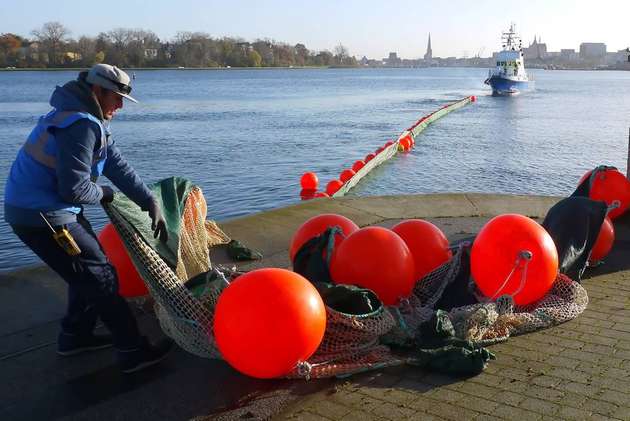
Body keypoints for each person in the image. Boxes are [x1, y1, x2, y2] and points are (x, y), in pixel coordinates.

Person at [4, 64, 173, 374]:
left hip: (42, 209)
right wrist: (105, 194)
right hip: (43, 216)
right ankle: (132, 351)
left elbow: (115, 164)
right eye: (117, 97)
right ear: (97, 91)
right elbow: (74, 188)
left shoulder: (84, 116)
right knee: (101, 278)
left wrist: (148, 200)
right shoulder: (80, 124)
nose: (120, 105)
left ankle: (76, 335)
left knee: (85, 269)